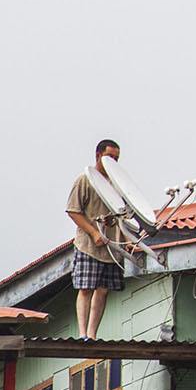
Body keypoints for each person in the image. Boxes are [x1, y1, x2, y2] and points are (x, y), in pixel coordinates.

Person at [65, 138, 131, 336]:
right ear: (98, 155)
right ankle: (83, 334)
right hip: (89, 245)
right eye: (110, 156)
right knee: (86, 288)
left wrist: (127, 240)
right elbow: (73, 211)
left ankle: (93, 334)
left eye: (116, 158)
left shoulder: (118, 184)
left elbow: (125, 216)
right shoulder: (85, 180)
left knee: (102, 290)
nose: (113, 161)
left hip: (112, 245)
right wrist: (93, 233)